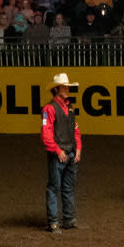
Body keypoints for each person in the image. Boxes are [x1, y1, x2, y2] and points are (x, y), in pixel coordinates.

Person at [40, 73, 82, 233]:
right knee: (55, 187)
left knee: (67, 187)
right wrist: (58, 150)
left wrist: (78, 148)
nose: (67, 89)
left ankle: (68, 219)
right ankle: (54, 222)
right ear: (57, 89)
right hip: (60, 154)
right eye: (65, 87)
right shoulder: (49, 109)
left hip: (69, 153)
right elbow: (46, 134)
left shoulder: (69, 108)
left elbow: (75, 130)